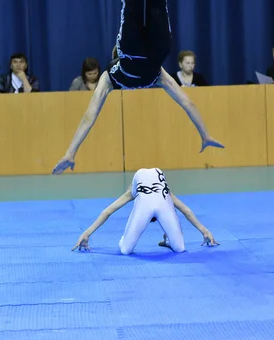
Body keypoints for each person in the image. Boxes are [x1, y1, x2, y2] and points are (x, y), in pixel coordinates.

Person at [53, 0, 224, 175]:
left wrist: (71, 152)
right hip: (133, 50)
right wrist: (204, 134)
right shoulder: (156, 76)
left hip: (157, 50)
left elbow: (89, 117)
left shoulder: (118, 78)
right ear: (116, 56)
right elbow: (187, 103)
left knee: (156, 5)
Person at [72, 167, 219, 254]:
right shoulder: (164, 195)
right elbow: (186, 210)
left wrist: (87, 233)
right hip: (154, 177)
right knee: (179, 249)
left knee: (126, 250)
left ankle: (131, 237)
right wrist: (204, 230)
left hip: (152, 176)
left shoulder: (137, 192)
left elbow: (108, 211)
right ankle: (167, 237)